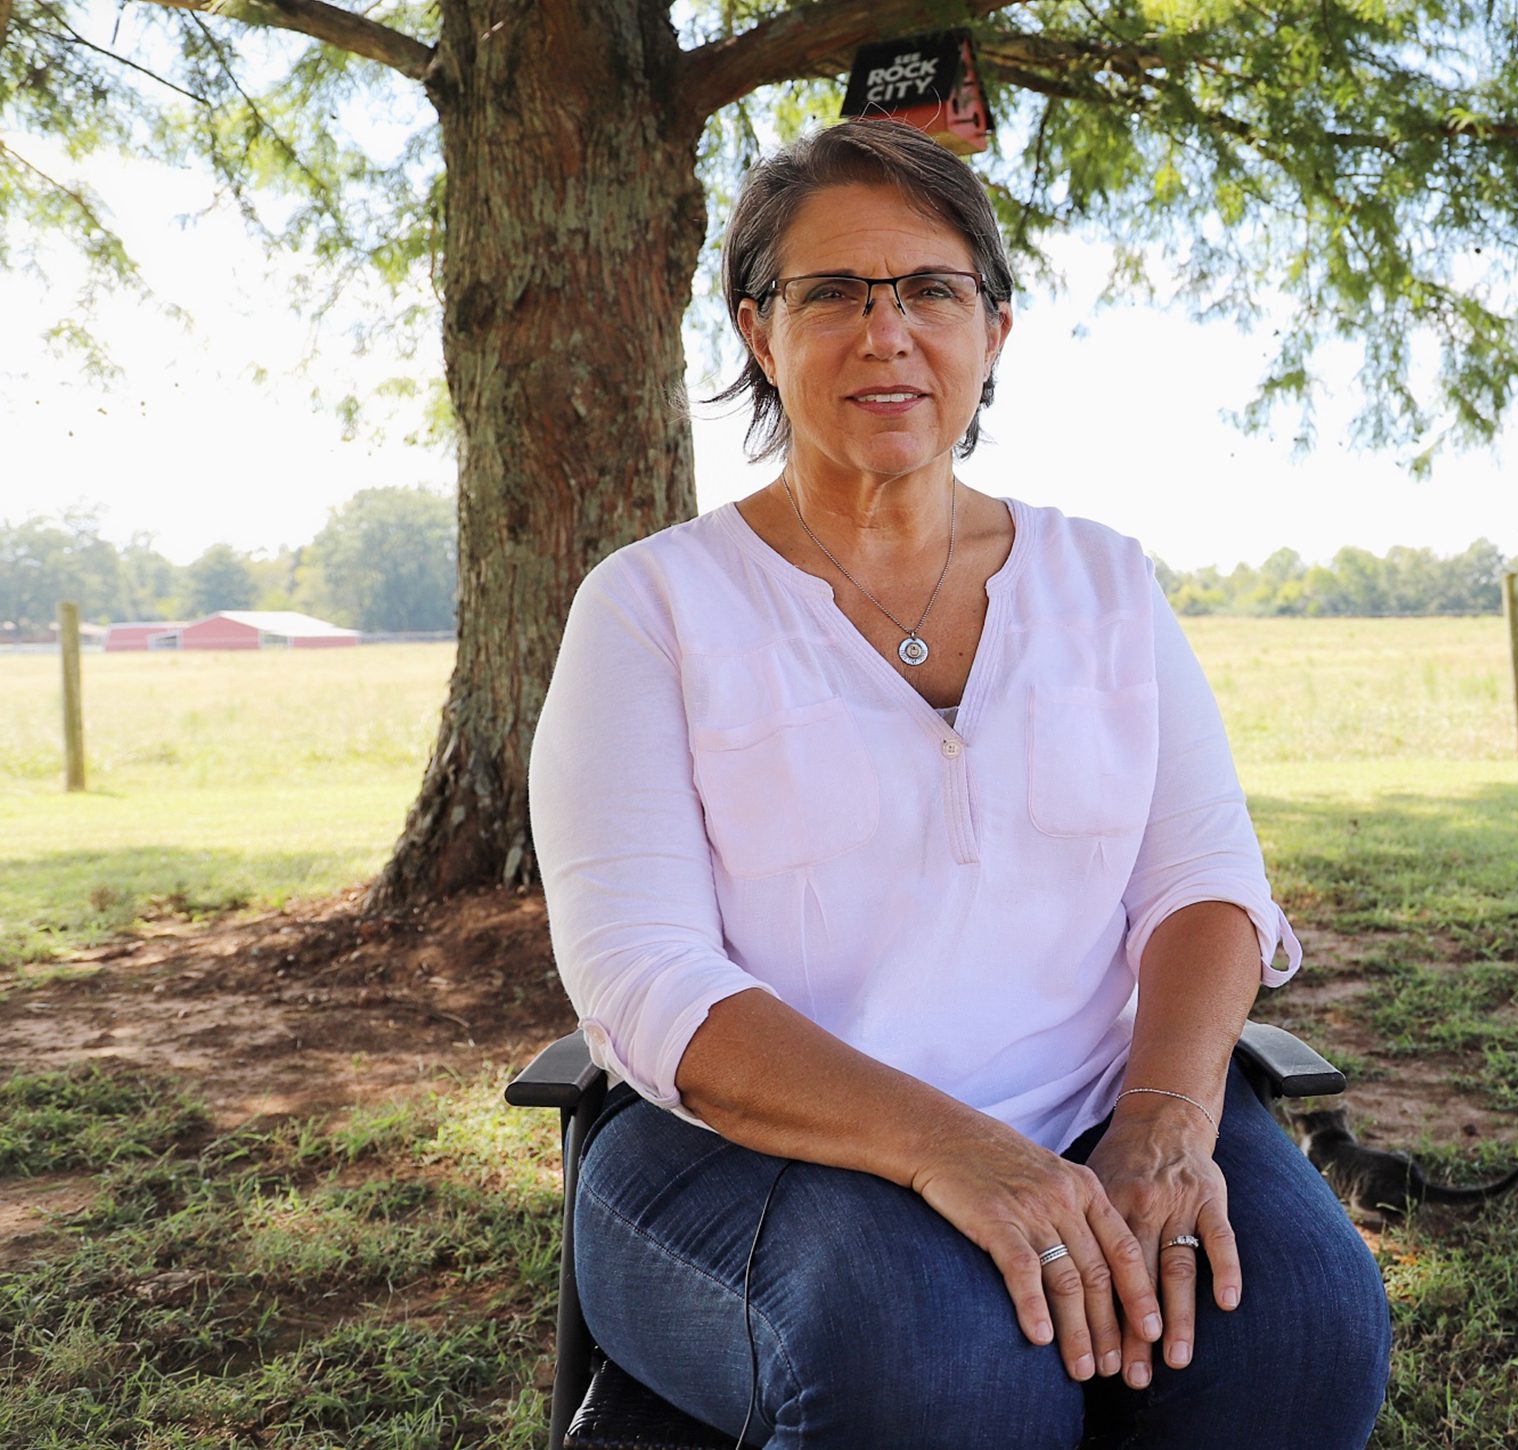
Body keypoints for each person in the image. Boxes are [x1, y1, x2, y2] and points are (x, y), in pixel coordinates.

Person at [526, 119, 1392, 1447]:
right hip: (755, 1143)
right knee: (951, 1366)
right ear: (760, 332)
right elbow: (646, 977)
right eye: (833, 294)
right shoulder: (651, 606)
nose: (888, 333)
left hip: (1097, 1101)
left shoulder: (1104, 580)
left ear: (994, 330)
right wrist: (958, 1151)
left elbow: (1203, 882)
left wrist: (1162, 1125)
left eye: (932, 288)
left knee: (1299, 1326)